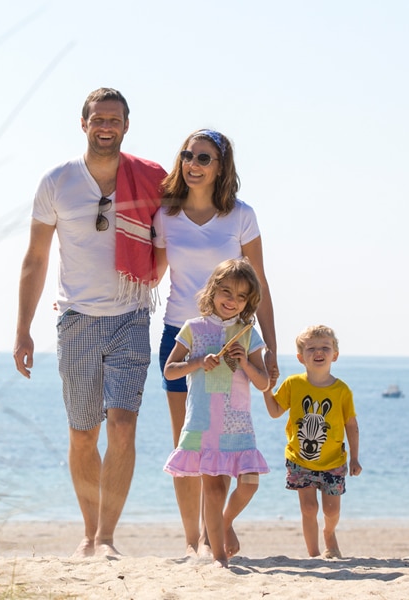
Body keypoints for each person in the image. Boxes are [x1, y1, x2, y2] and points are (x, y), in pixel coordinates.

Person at [13, 87, 166, 558]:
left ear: (126, 125)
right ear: (84, 124)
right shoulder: (57, 181)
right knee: (83, 432)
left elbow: (186, 227)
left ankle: (106, 538)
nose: (106, 126)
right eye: (98, 119)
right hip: (77, 319)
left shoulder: (151, 180)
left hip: (132, 314)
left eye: (114, 119)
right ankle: (87, 530)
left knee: (122, 427)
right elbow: (36, 259)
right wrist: (23, 328)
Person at [153, 128, 278, 556]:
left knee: (223, 443)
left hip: (234, 339)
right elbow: (149, 274)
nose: (193, 164)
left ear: (221, 166)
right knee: (188, 442)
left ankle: (215, 531)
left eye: (204, 158)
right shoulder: (166, 215)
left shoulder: (241, 215)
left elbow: (259, 286)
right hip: (181, 334)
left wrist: (271, 350)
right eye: (188, 155)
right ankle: (195, 542)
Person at [163, 258, 270, 567]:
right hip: (203, 422)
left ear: (249, 302)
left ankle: (223, 523)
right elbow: (170, 371)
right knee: (211, 489)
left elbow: (263, 383)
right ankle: (220, 558)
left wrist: (246, 363)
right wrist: (197, 362)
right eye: (226, 291)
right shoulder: (193, 328)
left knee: (249, 483)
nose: (232, 301)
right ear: (212, 291)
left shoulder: (248, 333)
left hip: (238, 425)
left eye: (240, 297)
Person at [263, 325, 362, 559]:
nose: (319, 352)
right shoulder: (293, 384)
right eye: (312, 348)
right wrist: (266, 389)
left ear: (334, 355)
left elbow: (352, 425)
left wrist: (355, 457)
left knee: (331, 510)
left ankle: (329, 533)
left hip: (333, 461)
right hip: (300, 460)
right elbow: (275, 411)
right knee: (309, 508)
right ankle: (314, 555)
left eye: (325, 347)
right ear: (301, 357)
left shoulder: (342, 390)